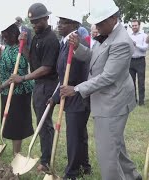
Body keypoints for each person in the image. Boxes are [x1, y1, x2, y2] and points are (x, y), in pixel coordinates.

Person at [60, 1, 142, 179]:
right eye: (95, 23)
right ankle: (132, 176)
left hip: (113, 103)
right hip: (106, 100)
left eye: (100, 23)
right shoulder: (108, 35)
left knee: (107, 156)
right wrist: (78, 48)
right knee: (116, 146)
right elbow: (94, 58)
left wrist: (77, 89)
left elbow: (108, 77)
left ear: (113, 18)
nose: (97, 27)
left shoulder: (121, 42)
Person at [9, 3, 60, 172]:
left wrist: (22, 78)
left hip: (48, 84)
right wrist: (22, 46)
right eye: (32, 21)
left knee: (44, 123)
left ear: (46, 18)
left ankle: (46, 161)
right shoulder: (37, 36)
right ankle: (46, 157)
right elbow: (33, 60)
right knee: (40, 121)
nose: (34, 24)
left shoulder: (51, 39)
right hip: (39, 85)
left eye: (37, 21)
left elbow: (46, 68)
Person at [51, 8, 91, 179]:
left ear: (74, 25)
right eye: (59, 21)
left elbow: (77, 72)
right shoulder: (65, 42)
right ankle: (84, 166)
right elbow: (62, 74)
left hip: (77, 96)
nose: (60, 25)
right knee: (79, 134)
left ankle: (72, 172)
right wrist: (54, 98)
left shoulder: (78, 43)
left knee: (74, 136)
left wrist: (73, 90)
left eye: (64, 22)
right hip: (70, 93)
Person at [0, 22, 34, 155]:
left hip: (19, 93)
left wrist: (0, 87)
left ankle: (17, 153)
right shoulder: (7, 48)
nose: (5, 39)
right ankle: (13, 151)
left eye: (7, 37)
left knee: (16, 125)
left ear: (15, 35)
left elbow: (17, 74)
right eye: (3, 37)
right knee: (8, 122)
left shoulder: (20, 49)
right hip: (6, 91)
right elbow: (3, 68)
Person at [129, 19, 148, 106]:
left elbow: (145, 48)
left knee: (141, 82)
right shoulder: (129, 36)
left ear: (139, 26)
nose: (134, 27)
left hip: (140, 60)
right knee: (131, 82)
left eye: (135, 25)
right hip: (131, 61)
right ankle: (133, 100)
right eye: (132, 26)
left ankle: (141, 101)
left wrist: (135, 44)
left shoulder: (144, 36)